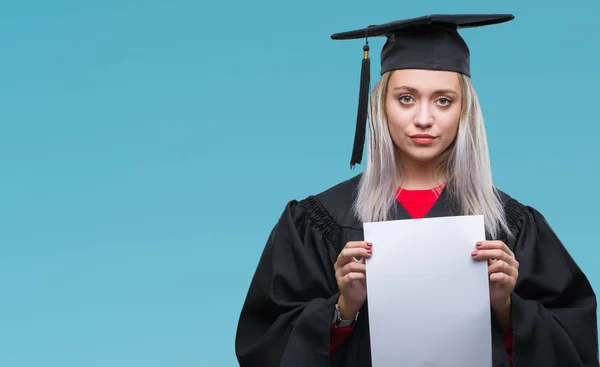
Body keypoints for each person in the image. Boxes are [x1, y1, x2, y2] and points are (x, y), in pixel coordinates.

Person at [234, 14, 599, 367]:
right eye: (406, 98)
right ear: (380, 106)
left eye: (444, 100)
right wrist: (343, 308)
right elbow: (263, 346)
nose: (424, 119)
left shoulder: (509, 226)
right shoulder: (320, 221)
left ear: (464, 111)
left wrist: (506, 307)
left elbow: (576, 349)